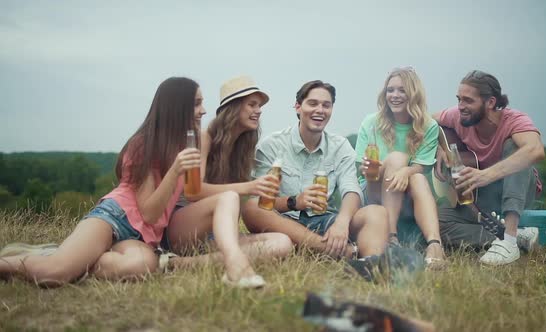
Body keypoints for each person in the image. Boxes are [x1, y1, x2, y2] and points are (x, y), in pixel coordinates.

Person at [0, 77, 273, 288]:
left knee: (141, 267)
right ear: (177, 108)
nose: (203, 110)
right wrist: (175, 170)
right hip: (116, 218)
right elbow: (148, 212)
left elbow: (169, 211)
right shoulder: (143, 145)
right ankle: (20, 263)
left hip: (146, 236)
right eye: (196, 103)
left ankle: (75, 258)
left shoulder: (190, 141)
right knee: (54, 275)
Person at [242, 80, 389, 260]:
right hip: (283, 223)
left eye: (326, 105)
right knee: (251, 207)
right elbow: (261, 200)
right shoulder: (271, 145)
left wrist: (342, 223)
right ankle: (339, 251)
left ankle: (370, 265)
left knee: (377, 212)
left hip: (324, 220)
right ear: (298, 107)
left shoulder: (340, 146)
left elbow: (351, 189)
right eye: (312, 103)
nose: (320, 110)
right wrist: (295, 202)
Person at [171, 75, 293, 266]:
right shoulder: (204, 138)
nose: (258, 111)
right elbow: (193, 192)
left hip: (215, 234)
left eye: (259, 106)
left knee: (282, 243)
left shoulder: (241, 150)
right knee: (229, 198)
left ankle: (181, 264)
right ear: (233, 108)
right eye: (252, 104)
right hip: (185, 225)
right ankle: (210, 258)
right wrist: (249, 187)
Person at [433, 70, 544, 266]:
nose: (460, 107)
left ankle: (508, 242)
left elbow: (535, 151)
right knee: (438, 223)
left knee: (516, 147)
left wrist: (486, 175)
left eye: (468, 101)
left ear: (491, 102)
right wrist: (439, 145)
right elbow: (425, 122)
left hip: (517, 188)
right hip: (481, 194)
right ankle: (513, 237)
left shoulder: (515, 120)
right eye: (459, 99)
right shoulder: (457, 116)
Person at [354, 66, 446, 267]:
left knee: (417, 177)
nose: (394, 96)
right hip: (373, 191)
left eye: (402, 90)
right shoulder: (371, 123)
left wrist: (406, 170)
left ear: (414, 94)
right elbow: (363, 169)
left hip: (408, 197)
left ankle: (434, 243)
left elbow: (422, 167)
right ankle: (391, 237)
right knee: (396, 159)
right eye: (390, 90)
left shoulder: (428, 127)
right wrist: (376, 169)